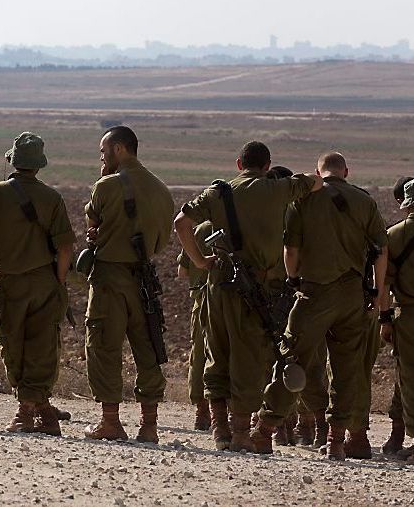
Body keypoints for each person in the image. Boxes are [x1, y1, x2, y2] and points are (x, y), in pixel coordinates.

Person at [174, 141, 321, 452]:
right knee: (249, 357)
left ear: (238, 165)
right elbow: (316, 180)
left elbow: (181, 223)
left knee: (217, 352)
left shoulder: (218, 193)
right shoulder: (278, 189)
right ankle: (242, 432)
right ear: (267, 166)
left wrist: (200, 261)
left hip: (219, 287)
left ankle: (219, 428)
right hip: (259, 291)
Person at [252, 152, 387, 460]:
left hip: (315, 293)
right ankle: (338, 440)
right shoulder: (365, 201)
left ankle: (265, 431)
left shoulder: (304, 199)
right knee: (346, 368)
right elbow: (381, 250)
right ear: (346, 172)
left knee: (292, 360)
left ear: (317, 172)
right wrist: (377, 293)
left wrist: (295, 281)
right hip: (354, 295)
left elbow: (291, 251)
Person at [81, 126, 174, 444]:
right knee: (148, 348)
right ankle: (149, 425)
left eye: (104, 151)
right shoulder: (161, 189)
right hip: (144, 279)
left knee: (104, 345)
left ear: (120, 149)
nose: (102, 157)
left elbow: (92, 224)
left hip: (110, 279)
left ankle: (110, 422)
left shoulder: (106, 185)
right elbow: (162, 240)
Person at [0, 132, 74, 436]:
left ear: (12, 160)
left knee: (13, 346)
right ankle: (43, 411)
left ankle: (25, 412)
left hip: (9, 282)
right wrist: (58, 282)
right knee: (42, 347)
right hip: (45, 281)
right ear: (39, 165)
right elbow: (64, 249)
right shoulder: (52, 198)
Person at [381, 176, 414, 460]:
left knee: (410, 377)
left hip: (409, 316)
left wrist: (385, 319)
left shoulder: (393, 236)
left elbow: (383, 284)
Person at [176, 220, 214, 431]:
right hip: (235, 301)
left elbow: (182, 272)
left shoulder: (202, 229)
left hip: (202, 300)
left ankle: (202, 411)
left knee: (199, 355)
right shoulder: (242, 221)